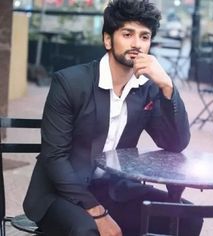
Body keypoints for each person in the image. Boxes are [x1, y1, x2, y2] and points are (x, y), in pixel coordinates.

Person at [23, 0, 203, 235]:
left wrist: (167, 87)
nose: (137, 44)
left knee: (188, 218)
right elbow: (54, 157)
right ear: (108, 39)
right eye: (128, 34)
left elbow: (175, 144)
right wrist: (97, 212)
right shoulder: (70, 83)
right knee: (88, 230)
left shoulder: (147, 88)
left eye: (144, 36)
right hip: (62, 192)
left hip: (116, 190)